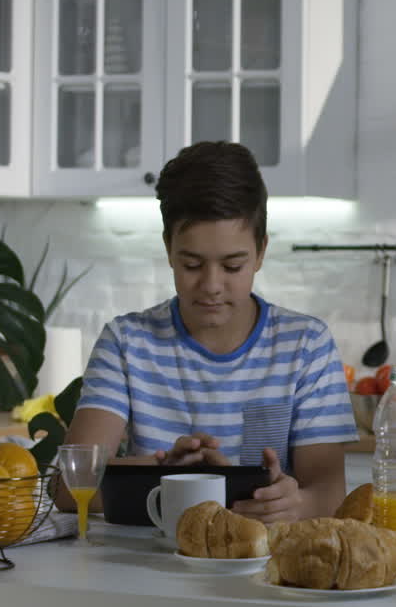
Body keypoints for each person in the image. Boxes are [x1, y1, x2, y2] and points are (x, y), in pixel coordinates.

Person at [58, 141, 359, 523]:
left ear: (261, 252)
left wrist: (292, 503)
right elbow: (70, 490)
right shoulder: (127, 342)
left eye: (233, 266)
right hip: (143, 573)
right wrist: (167, 475)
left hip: (267, 571)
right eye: (192, 264)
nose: (212, 285)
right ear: (168, 249)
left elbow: (330, 497)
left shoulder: (306, 345)